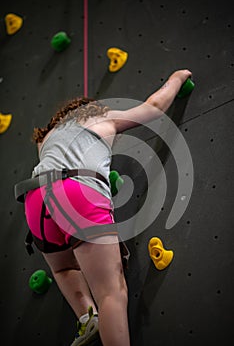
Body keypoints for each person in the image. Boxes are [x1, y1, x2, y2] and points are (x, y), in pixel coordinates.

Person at [15, 69, 192, 346]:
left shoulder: (45, 139)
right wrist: (178, 78)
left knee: (62, 269)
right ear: (93, 109)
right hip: (76, 190)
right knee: (111, 291)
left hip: (35, 199)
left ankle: (87, 318)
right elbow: (154, 107)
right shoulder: (102, 116)